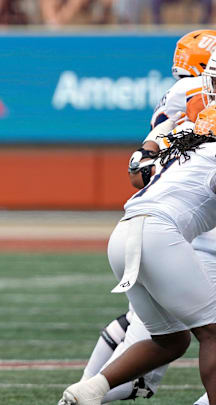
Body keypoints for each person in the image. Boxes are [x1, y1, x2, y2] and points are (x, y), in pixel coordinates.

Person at [72, 29, 216, 404]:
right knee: (213, 334)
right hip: (164, 234)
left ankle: (90, 389)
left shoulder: (182, 127)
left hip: (126, 229)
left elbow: (141, 165)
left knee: (169, 340)